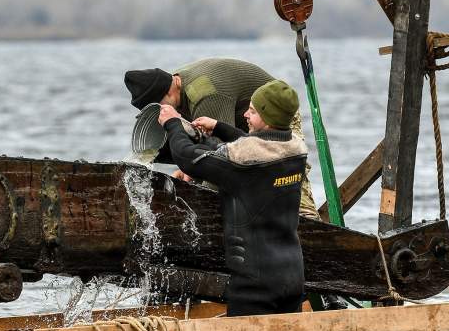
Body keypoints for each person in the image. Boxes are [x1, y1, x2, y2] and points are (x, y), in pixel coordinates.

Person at [156, 80, 306, 316]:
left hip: (254, 287)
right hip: (293, 278)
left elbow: (187, 157)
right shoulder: (295, 151)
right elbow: (256, 145)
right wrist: (218, 127)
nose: (245, 113)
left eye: (253, 111)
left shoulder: (242, 163)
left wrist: (173, 124)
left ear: (268, 118)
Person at [124, 58, 320, 219]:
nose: (162, 113)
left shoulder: (204, 93)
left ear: (170, 88)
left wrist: (200, 203)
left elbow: (223, 157)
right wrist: (188, 172)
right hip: (243, 119)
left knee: (281, 170)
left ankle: (309, 223)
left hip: (273, 111)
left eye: (162, 107)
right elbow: (210, 145)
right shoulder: (172, 85)